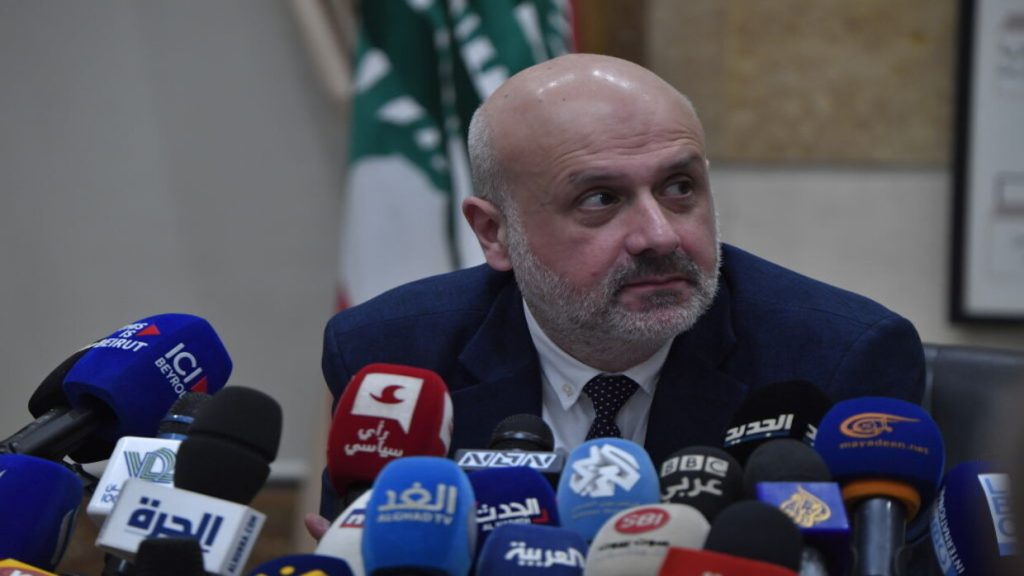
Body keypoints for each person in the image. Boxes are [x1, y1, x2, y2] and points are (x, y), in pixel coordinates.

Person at [311, 53, 924, 529]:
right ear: (495, 233)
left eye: (680, 188)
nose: (660, 235)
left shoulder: (838, 362)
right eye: (600, 199)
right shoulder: (393, 357)